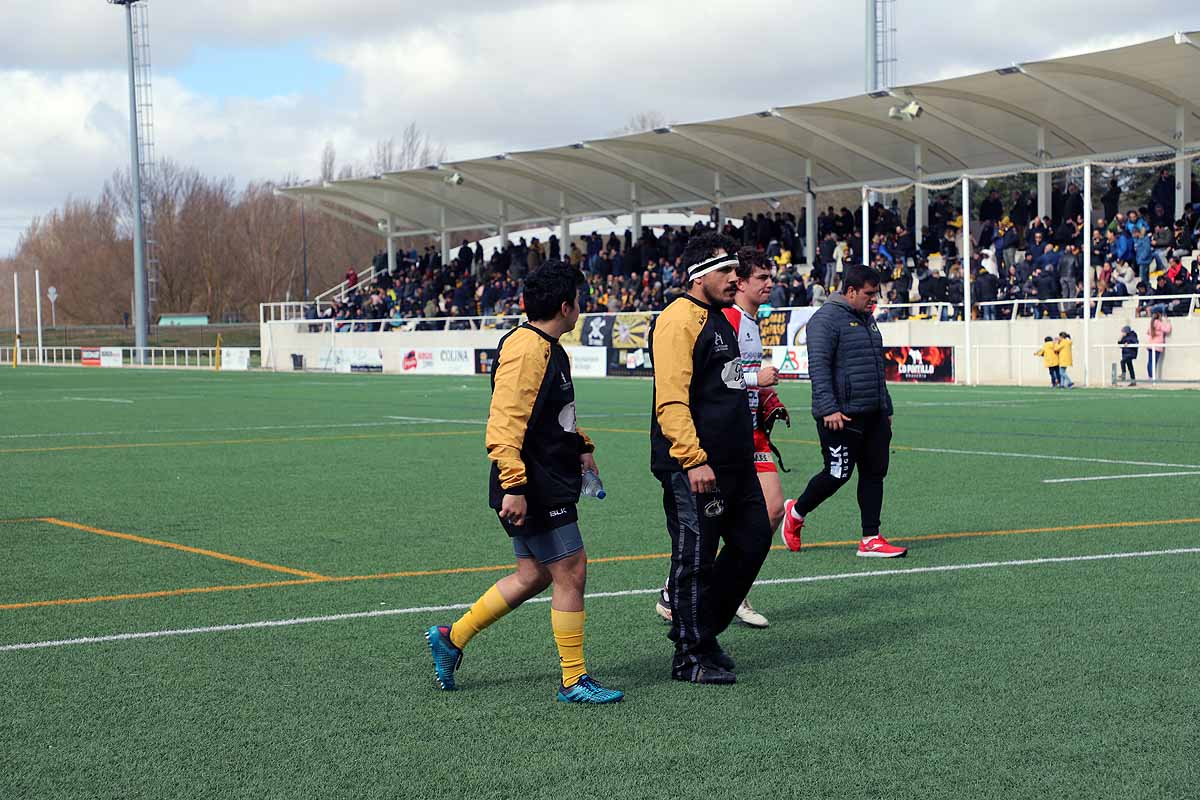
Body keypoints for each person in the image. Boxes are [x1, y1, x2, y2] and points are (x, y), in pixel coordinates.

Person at [425, 260, 623, 704]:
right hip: (532, 483)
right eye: (580, 300)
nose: (582, 308)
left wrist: (581, 445)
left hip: (544, 475)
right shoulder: (528, 348)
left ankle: (450, 638)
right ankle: (574, 680)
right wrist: (514, 484)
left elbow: (552, 414)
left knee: (533, 575)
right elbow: (505, 421)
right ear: (566, 305)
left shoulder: (547, 346)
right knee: (571, 570)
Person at [649, 232, 773, 685]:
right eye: (727, 271)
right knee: (695, 557)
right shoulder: (678, 320)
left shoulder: (720, 318)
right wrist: (692, 459)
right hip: (696, 466)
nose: (736, 279)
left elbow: (727, 381)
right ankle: (690, 655)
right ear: (700, 276)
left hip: (734, 463)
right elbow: (672, 400)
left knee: (755, 539)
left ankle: (703, 632)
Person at [780, 264, 907, 558]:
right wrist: (828, 408)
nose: (874, 300)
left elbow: (876, 367)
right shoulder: (825, 320)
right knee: (837, 474)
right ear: (850, 291)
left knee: (875, 473)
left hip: (873, 412)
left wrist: (885, 406)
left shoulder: (867, 319)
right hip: (841, 416)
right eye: (868, 294)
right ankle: (796, 514)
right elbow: (819, 368)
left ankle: (870, 538)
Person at [1147, 312, 1172, 380]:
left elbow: (1148, 332)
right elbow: (1167, 330)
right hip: (1157, 346)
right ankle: (1152, 377)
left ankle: (1150, 377)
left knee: (1150, 362)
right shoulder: (1159, 323)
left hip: (1150, 345)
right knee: (1154, 362)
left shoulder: (1151, 323)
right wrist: (1168, 322)